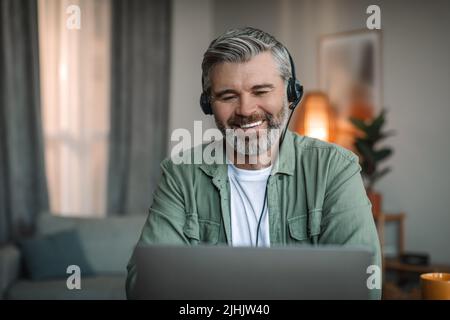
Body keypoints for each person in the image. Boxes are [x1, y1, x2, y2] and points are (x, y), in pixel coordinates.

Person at [126, 27, 381, 299]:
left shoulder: (335, 169)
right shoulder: (181, 175)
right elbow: (143, 287)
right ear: (208, 103)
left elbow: (364, 289)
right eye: (227, 96)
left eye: (260, 91)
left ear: (291, 93)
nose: (246, 110)